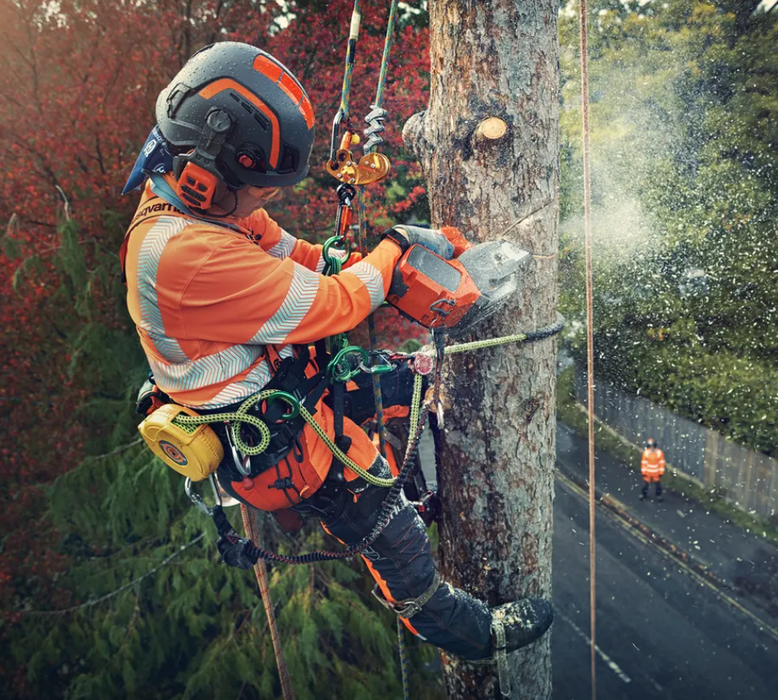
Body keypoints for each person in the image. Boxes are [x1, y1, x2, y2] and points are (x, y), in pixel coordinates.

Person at [120, 41, 552, 661]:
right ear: (205, 174)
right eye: (259, 190)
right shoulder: (183, 255)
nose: (265, 201)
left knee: (405, 389)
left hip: (293, 389)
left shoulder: (205, 207)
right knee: (386, 528)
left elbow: (294, 258)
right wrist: (395, 250)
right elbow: (330, 307)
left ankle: (426, 490)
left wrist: (376, 264)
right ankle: (469, 632)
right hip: (278, 444)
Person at [640, 438, 665, 502]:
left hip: (656, 473)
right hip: (648, 472)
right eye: (650, 446)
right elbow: (643, 463)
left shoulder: (659, 453)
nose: (651, 448)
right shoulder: (646, 453)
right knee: (645, 485)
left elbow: (661, 463)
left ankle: (658, 495)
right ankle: (643, 495)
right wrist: (643, 472)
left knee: (658, 486)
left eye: (652, 446)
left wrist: (661, 472)